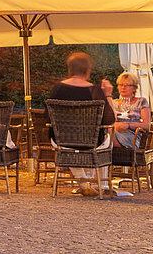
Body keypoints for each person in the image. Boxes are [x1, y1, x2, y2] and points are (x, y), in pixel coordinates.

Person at [48, 52, 115, 196]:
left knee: (70, 141)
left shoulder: (57, 89)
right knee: (108, 137)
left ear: (70, 69)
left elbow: (48, 116)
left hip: (62, 141)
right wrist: (108, 94)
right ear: (88, 71)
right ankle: (101, 184)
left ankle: (84, 183)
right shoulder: (94, 90)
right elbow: (110, 120)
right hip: (92, 141)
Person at [111, 72, 151, 148]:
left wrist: (128, 125)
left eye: (127, 85)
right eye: (121, 85)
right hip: (114, 132)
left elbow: (147, 125)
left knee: (105, 136)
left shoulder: (141, 102)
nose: (123, 87)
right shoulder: (113, 103)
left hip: (132, 136)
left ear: (134, 88)